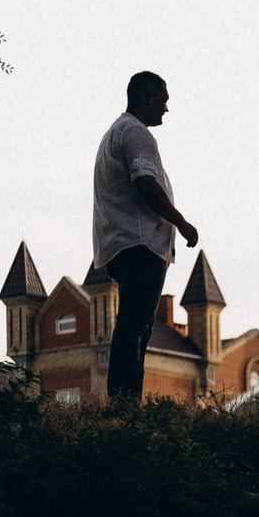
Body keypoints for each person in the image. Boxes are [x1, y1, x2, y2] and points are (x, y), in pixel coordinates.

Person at [91, 71, 199, 403]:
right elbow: (145, 182)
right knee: (134, 327)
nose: (166, 108)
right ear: (145, 98)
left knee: (136, 325)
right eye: (162, 100)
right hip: (139, 244)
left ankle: (125, 403)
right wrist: (181, 222)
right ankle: (124, 405)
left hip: (122, 244)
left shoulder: (116, 132)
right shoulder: (136, 133)